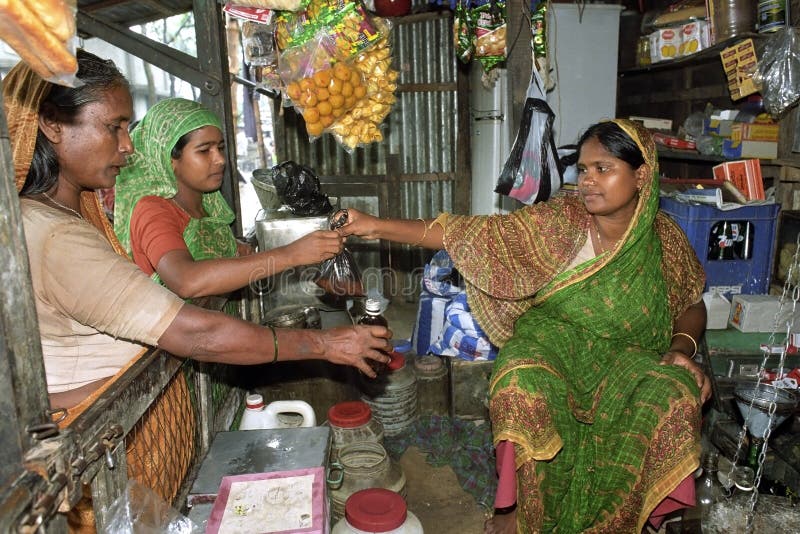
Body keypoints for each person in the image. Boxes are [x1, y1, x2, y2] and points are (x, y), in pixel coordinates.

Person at [339, 119, 711, 533]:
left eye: (602, 169)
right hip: (553, 344)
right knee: (519, 382)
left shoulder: (667, 240)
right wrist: (373, 225)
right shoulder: (562, 222)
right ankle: (515, 512)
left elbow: (692, 305)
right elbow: (468, 235)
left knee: (675, 394)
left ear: (641, 174)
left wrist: (682, 348)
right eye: (583, 170)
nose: (587, 181)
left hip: (629, 359)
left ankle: (630, 514)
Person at [3, 50, 392, 410]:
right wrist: (323, 340)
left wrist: (301, 256)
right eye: (114, 127)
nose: (127, 145)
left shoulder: (62, 218)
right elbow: (191, 315)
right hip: (104, 432)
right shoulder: (62, 235)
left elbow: (232, 259)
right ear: (52, 123)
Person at [113, 97, 341, 299]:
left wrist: (236, 250)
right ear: (169, 159)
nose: (220, 160)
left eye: (220, 148)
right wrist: (291, 254)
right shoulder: (153, 211)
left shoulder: (207, 205)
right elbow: (186, 281)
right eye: (204, 151)